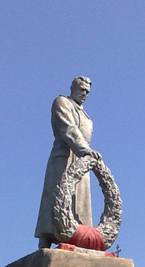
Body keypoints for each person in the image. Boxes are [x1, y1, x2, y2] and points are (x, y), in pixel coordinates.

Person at [35, 76, 102, 249]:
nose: (85, 94)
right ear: (73, 88)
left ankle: (81, 239)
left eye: (87, 91)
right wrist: (84, 149)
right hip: (64, 159)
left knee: (80, 206)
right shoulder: (62, 103)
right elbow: (68, 128)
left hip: (82, 162)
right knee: (54, 198)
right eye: (82, 89)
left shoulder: (88, 118)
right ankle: (46, 240)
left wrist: (86, 155)